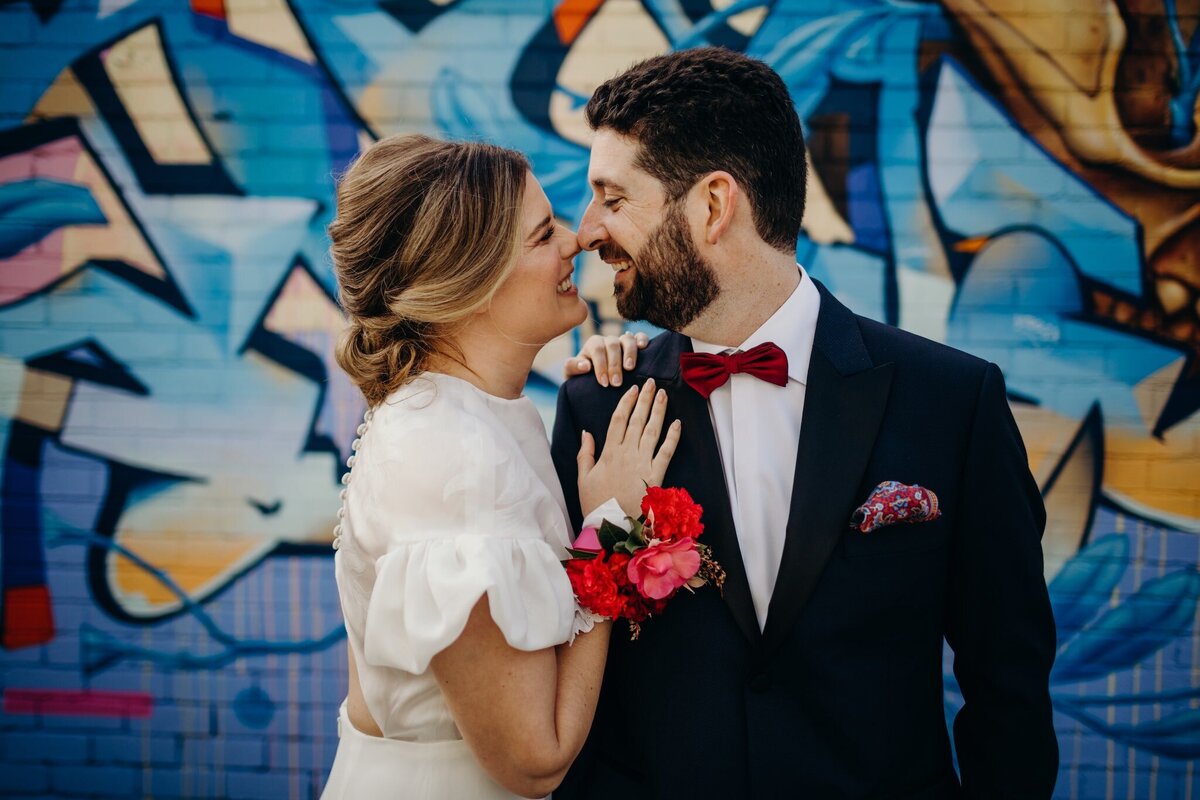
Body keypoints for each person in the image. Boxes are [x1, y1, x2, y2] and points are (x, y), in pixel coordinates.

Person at [550, 47, 1058, 798]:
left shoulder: (951, 401)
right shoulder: (600, 404)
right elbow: (571, 648)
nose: (586, 231)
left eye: (613, 198)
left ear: (714, 206)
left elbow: (1007, 678)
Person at [320, 133, 680, 799]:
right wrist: (610, 528)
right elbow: (534, 760)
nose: (576, 240)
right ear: (470, 286)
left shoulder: (455, 416)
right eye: (544, 236)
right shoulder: (457, 460)